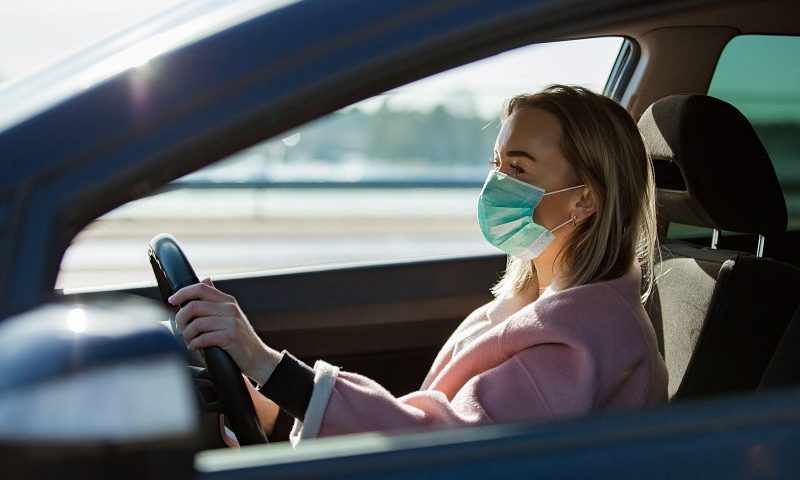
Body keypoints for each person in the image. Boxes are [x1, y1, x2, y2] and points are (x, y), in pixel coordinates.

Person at [170, 85, 668, 444]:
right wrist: (275, 413)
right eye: (497, 165)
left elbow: (444, 445)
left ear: (584, 202)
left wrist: (266, 364)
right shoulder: (531, 305)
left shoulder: (583, 339)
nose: (497, 185)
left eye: (518, 169)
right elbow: (434, 420)